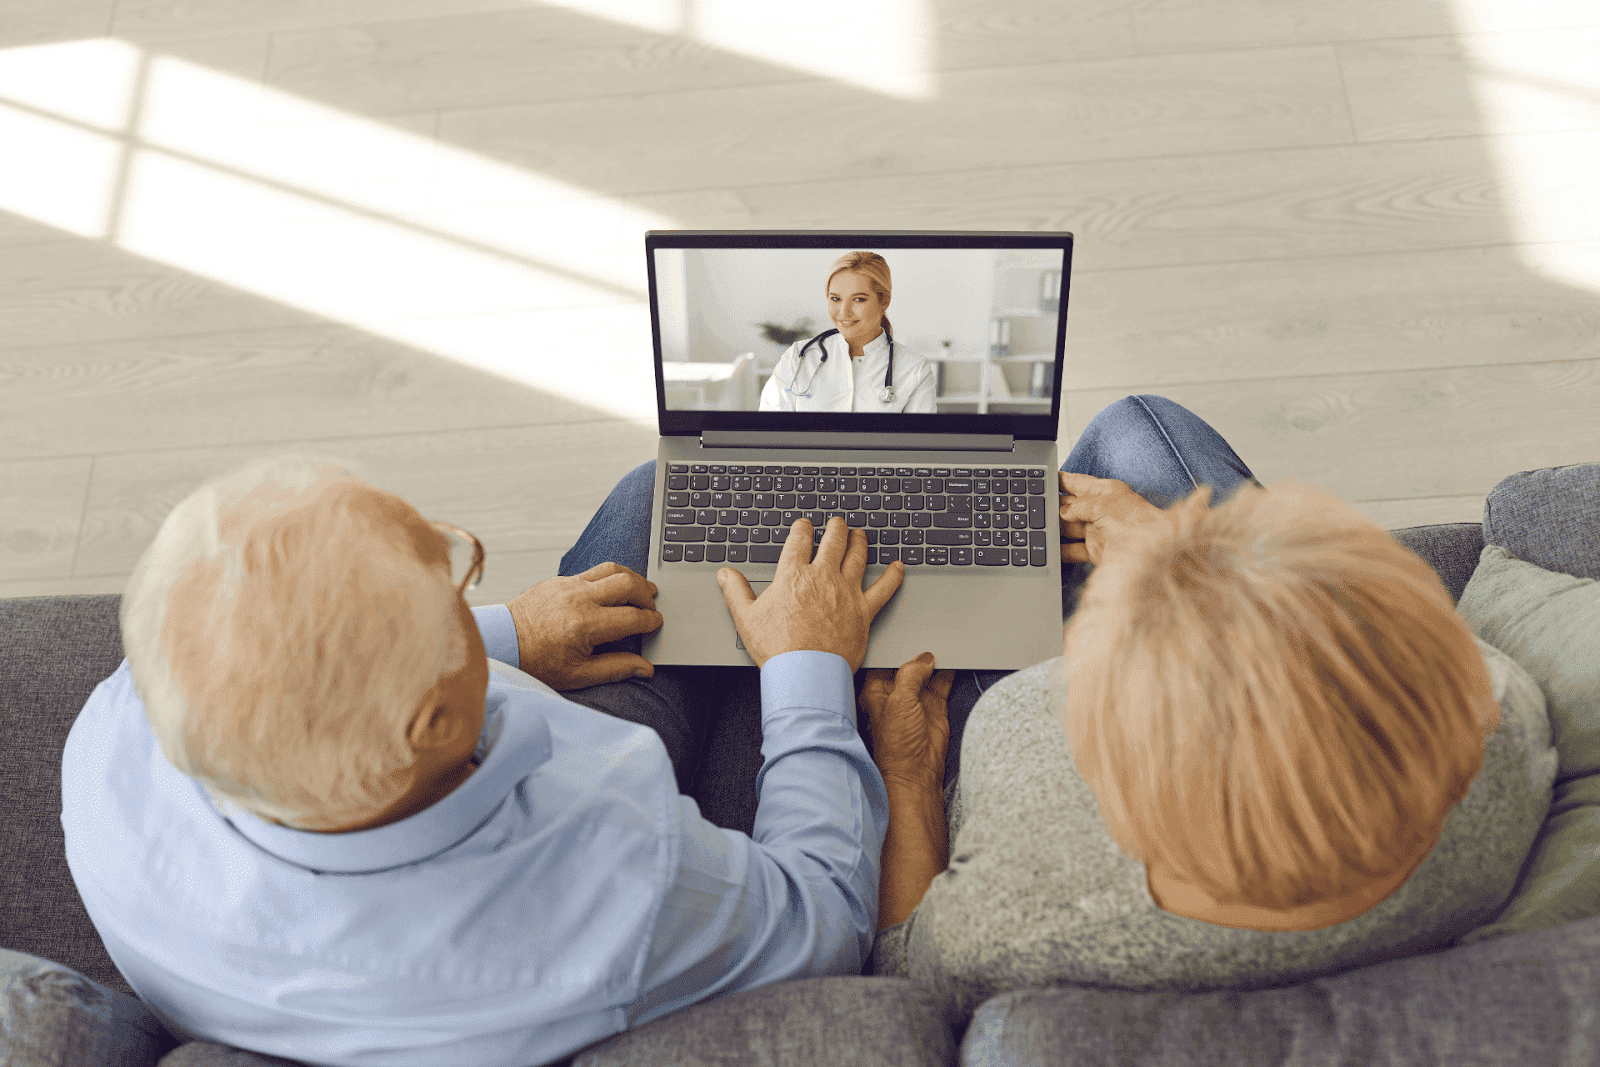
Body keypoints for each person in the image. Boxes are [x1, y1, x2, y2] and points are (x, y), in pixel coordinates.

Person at [60, 453, 917, 1067]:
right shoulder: (614, 884)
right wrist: (809, 670)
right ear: (437, 721)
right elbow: (823, 913)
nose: (464, 567)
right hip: (558, 897)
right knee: (657, 499)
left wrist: (509, 632)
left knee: (665, 501)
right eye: (451, 578)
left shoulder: (120, 730)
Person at [857, 396, 1556, 1021]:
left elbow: (903, 978)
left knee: (1125, 433)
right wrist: (1181, 559)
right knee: (1135, 428)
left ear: (1129, 804)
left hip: (942, 745)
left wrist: (908, 769)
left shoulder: (1007, 922)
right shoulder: (1502, 728)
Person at [758, 250, 938, 414]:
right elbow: (770, 434)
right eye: (835, 299)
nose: (844, 312)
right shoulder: (797, 357)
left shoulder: (914, 369)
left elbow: (916, 445)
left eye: (859, 299)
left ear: (884, 301)